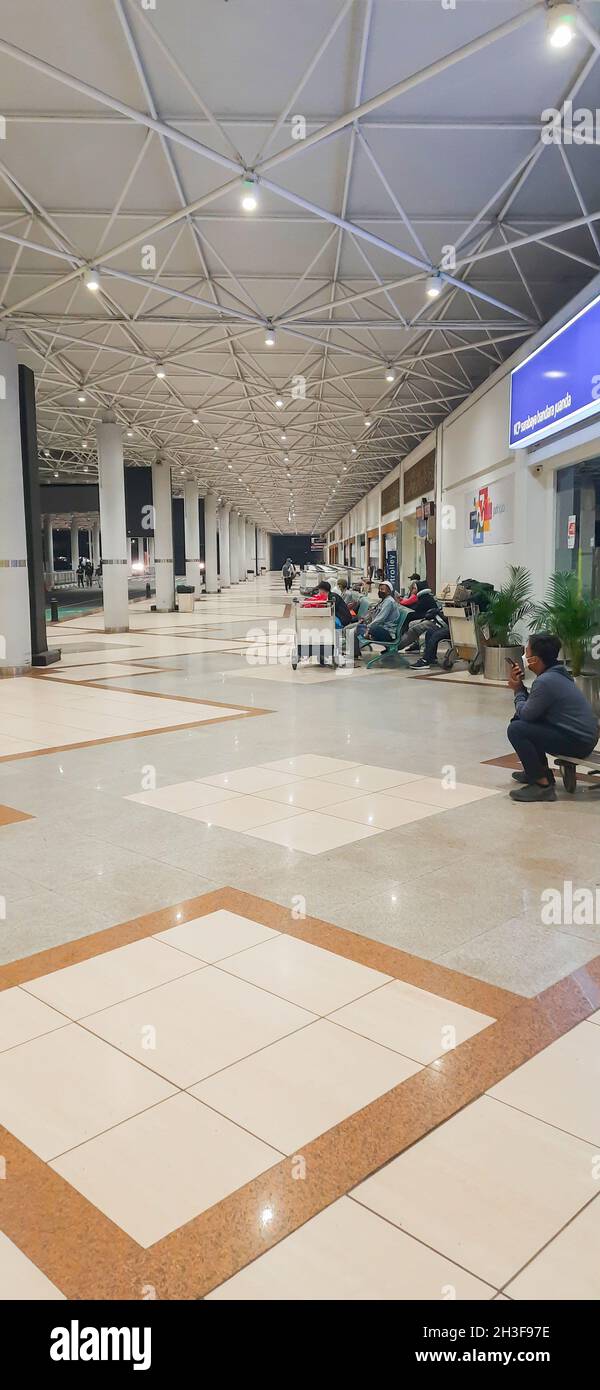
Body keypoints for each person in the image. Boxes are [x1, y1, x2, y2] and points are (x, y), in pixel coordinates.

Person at [507, 632, 599, 802]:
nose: (524, 656)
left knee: (517, 729)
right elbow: (532, 710)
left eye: (526, 652)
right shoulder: (559, 673)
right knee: (519, 721)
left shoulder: (545, 681)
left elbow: (527, 714)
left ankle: (542, 785)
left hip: (578, 741)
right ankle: (537, 771)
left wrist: (518, 690)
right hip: (585, 737)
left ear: (535, 659)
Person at [355, 579, 398, 650]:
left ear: (389, 591)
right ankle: (366, 639)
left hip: (387, 632)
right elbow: (374, 614)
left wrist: (368, 628)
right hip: (381, 628)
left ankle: (368, 635)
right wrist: (364, 620)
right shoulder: (383, 601)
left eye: (382, 589)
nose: (380, 591)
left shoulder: (389, 602)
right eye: (379, 589)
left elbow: (380, 619)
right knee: (359, 627)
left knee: (370, 628)